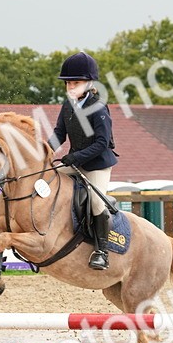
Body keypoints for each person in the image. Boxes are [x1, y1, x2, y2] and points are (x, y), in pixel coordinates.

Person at [52, 51, 118, 270]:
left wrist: (75, 157)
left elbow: (102, 143)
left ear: (89, 83)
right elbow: (59, 134)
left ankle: (102, 251)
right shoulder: (68, 106)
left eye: (76, 82)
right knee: (47, 180)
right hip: (75, 162)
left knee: (97, 201)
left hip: (97, 165)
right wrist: (43, 152)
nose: (70, 87)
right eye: (68, 83)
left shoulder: (98, 108)